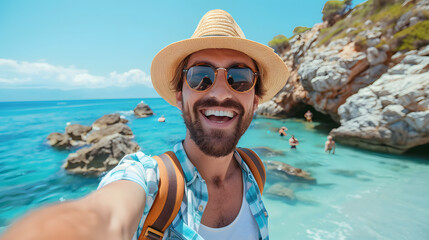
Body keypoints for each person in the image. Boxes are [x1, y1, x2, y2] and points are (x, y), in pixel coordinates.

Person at [1, 9, 289, 240]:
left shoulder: (254, 170)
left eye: (240, 78)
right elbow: (101, 217)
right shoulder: (148, 179)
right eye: (201, 76)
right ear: (179, 97)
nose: (220, 92)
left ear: (255, 100)